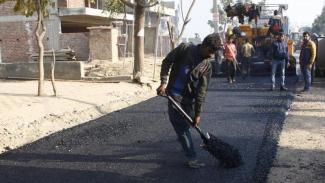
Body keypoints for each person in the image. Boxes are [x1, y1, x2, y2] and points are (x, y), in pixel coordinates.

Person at [156, 33, 222, 169]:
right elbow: (167, 61)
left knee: (190, 124)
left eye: (214, 53)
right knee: (181, 129)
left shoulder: (206, 66)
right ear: (204, 45)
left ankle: (185, 143)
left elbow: (202, 92)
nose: (211, 55)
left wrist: (197, 114)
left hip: (189, 100)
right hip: (173, 97)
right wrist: (163, 82)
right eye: (210, 51)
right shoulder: (185, 49)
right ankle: (192, 157)